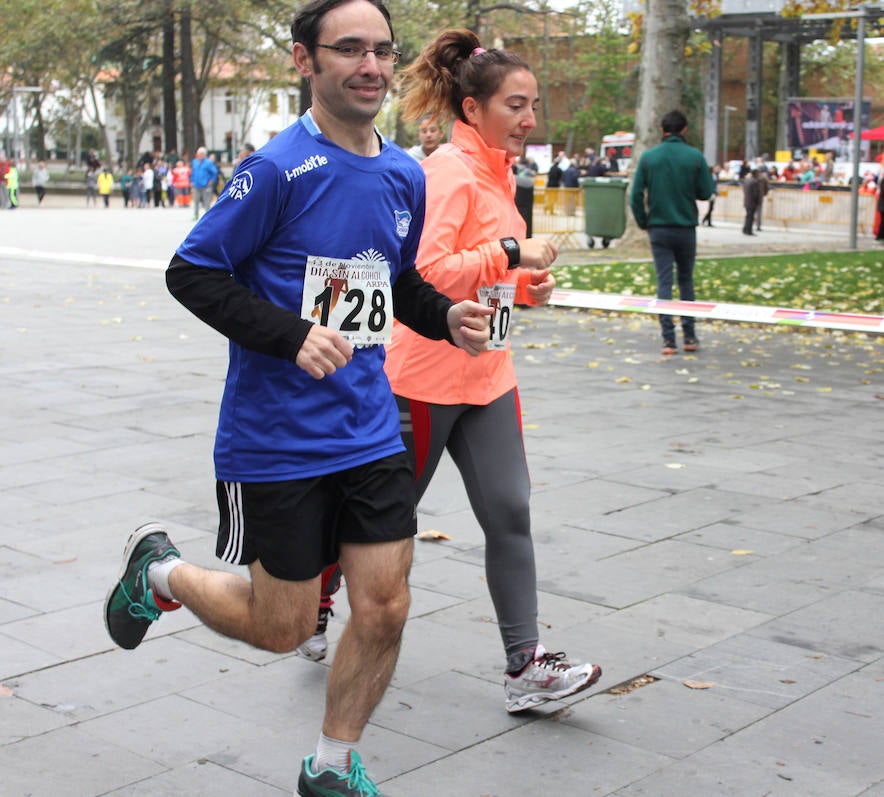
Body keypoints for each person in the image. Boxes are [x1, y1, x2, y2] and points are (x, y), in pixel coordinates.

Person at [102, 3, 493, 796]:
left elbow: (397, 281)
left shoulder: (403, 173)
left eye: (382, 51)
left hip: (370, 427)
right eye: (349, 49)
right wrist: (289, 334)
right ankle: (162, 572)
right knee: (282, 628)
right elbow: (193, 271)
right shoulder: (277, 168)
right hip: (275, 439)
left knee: (383, 606)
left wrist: (446, 315)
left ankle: (332, 764)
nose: (371, 66)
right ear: (303, 61)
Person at [304, 28, 601, 715]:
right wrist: (509, 249)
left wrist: (529, 283)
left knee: (511, 512)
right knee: (380, 520)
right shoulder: (446, 171)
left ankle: (526, 665)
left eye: (533, 105)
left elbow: (494, 273)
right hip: (422, 380)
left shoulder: (501, 173)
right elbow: (428, 274)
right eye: (517, 105)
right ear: (474, 110)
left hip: (488, 376)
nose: (531, 119)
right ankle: (315, 598)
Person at [629, 109, 714, 355]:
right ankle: (689, 335)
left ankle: (668, 338)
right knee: (686, 280)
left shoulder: (649, 158)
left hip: (659, 227)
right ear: (684, 129)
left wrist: (644, 221)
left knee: (664, 281)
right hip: (685, 227)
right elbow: (705, 192)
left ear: (663, 130)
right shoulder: (694, 156)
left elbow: (635, 195)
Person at [190, 146, 218, 220]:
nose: (200, 155)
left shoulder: (208, 162)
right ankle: (195, 215)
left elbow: (214, 172)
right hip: (196, 185)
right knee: (196, 201)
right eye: (199, 154)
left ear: (205, 154)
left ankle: (207, 217)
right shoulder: (195, 162)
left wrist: (211, 180)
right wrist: (192, 181)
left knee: (207, 202)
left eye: (202, 154)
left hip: (206, 185)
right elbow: (193, 172)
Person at [742, 168, 760, 236]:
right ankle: (749, 230)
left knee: (748, 216)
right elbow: (755, 194)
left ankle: (745, 229)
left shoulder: (747, 180)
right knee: (750, 217)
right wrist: (757, 201)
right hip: (752, 202)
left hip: (747, 201)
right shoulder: (755, 181)